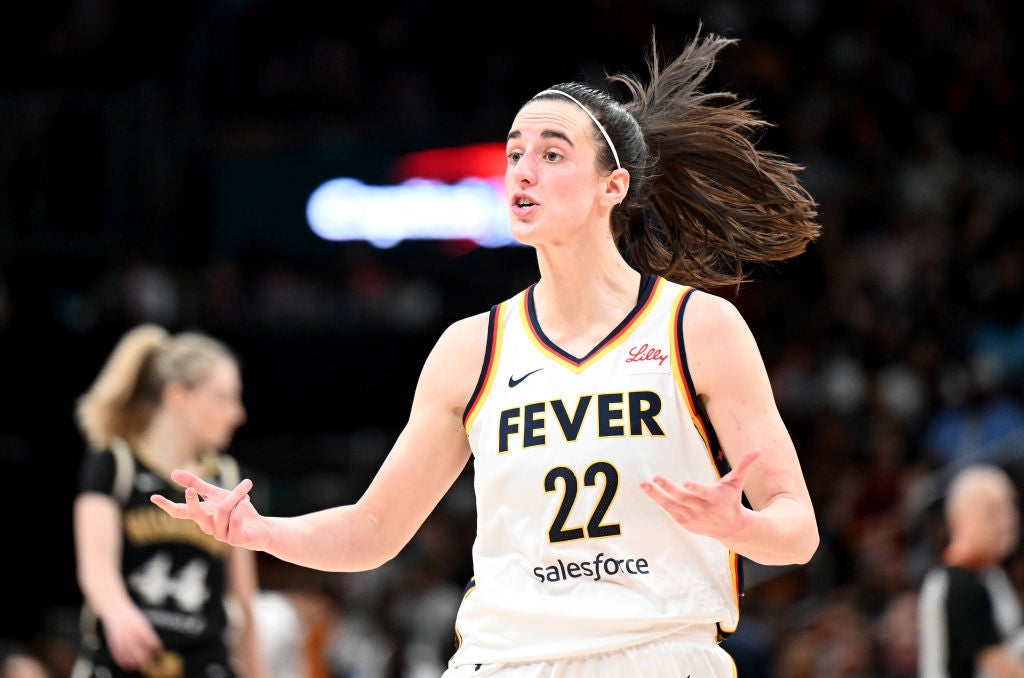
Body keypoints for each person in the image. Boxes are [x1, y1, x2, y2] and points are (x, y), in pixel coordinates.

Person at [152, 26, 821, 677]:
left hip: (656, 652)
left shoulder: (696, 327)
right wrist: (260, 532)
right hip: (501, 659)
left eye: (552, 154)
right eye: (514, 153)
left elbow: (797, 529)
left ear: (611, 186)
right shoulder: (470, 349)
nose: (522, 171)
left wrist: (739, 525)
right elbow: (375, 528)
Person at [71, 324, 271, 678]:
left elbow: (244, 602)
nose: (237, 412)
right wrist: (117, 612)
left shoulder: (226, 477)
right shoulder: (116, 464)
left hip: (204, 663)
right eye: (223, 397)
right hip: (123, 661)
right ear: (178, 397)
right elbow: (95, 567)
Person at [918, 463, 1024, 677]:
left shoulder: (988, 575)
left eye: (1010, 508)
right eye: (992, 512)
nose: (1008, 522)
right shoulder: (960, 583)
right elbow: (1000, 666)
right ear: (961, 519)